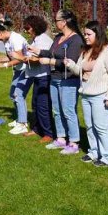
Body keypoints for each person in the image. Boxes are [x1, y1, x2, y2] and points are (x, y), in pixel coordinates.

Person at [65, 21, 108, 167]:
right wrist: (71, 65)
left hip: (101, 96)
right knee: (90, 126)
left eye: (89, 34)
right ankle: (94, 152)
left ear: (98, 34)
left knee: (101, 127)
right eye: (85, 33)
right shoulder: (86, 51)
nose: (86, 37)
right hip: (86, 95)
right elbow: (80, 72)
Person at [33, 9, 83, 154]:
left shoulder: (76, 39)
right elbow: (52, 53)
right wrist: (39, 51)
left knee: (68, 111)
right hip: (54, 78)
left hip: (68, 80)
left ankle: (74, 142)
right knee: (57, 110)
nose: (55, 23)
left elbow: (69, 62)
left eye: (56, 20)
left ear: (64, 21)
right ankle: (61, 139)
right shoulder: (58, 37)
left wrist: (49, 61)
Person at [0, 22, 31, 135]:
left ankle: (23, 124)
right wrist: (0, 59)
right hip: (18, 69)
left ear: (0, 33)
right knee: (13, 94)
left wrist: (4, 65)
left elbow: (20, 58)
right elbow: (10, 57)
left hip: (27, 69)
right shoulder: (6, 41)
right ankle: (19, 120)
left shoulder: (15, 39)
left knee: (18, 94)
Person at [22, 15, 54, 143]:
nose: (26, 31)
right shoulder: (36, 39)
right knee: (35, 104)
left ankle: (48, 133)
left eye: (27, 28)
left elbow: (38, 60)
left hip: (45, 76)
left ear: (35, 27)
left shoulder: (43, 40)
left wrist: (21, 58)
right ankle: (37, 129)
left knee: (43, 105)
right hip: (37, 76)